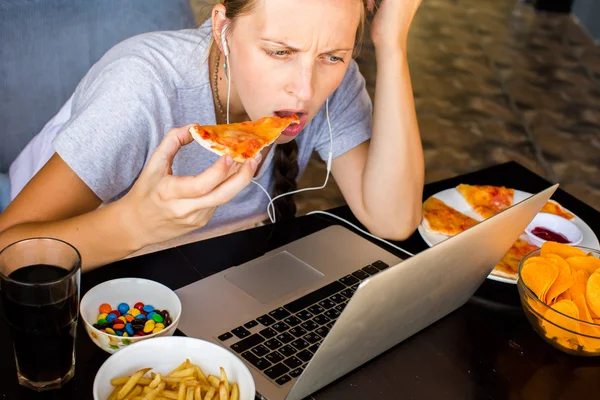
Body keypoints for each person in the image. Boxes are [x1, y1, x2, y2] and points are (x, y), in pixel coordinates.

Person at [0, 0, 424, 271]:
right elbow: (8, 250)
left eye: (333, 56)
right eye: (279, 52)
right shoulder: (141, 88)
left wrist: (392, 45)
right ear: (222, 28)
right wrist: (138, 221)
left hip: (204, 272)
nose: (306, 90)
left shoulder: (336, 81)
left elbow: (393, 220)